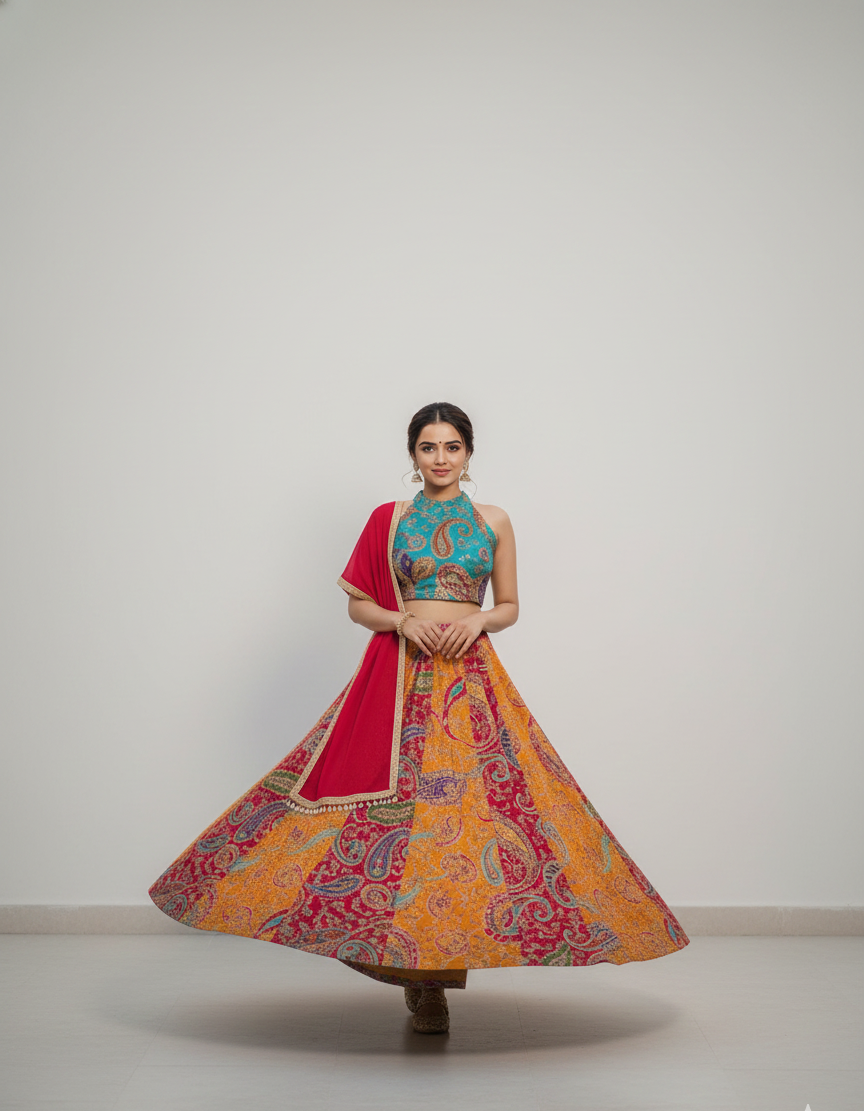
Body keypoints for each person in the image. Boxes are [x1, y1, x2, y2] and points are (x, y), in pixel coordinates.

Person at [150, 401, 688, 1034]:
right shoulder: (390, 519)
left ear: (468, 453)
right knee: (388, 820)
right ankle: (413, 977)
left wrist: (478, 621)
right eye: (428, 447)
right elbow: (359, 608)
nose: (440, 458)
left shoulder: (494, 521)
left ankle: (436, 978)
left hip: (471, 682)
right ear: (412, 456)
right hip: (399, 678)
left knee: (472, 823)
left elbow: (510, 604)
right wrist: (402, 621)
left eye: (451, 447)